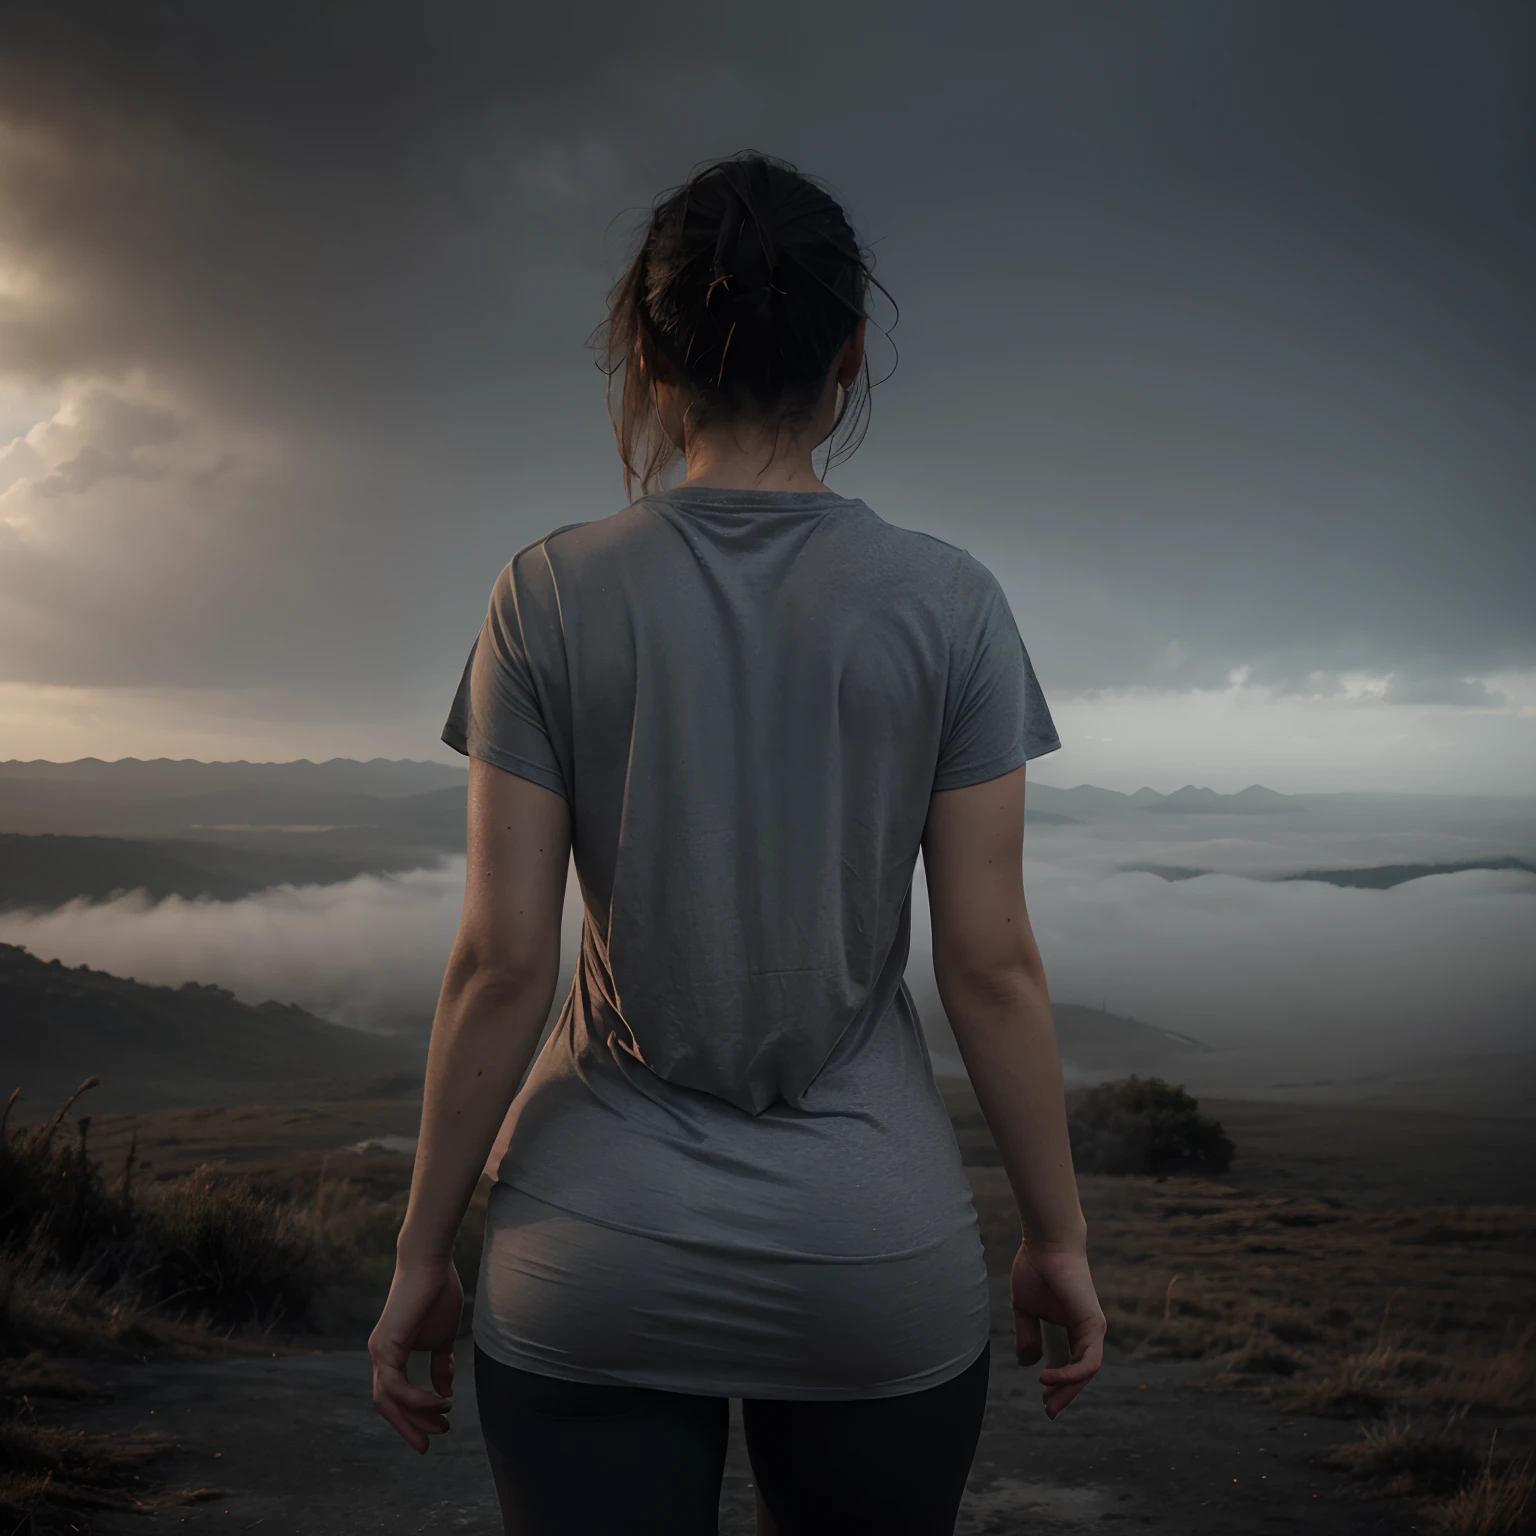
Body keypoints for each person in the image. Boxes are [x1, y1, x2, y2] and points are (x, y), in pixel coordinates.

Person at [368, 152, 1105, 1536]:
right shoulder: (953, 605)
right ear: (851, 353)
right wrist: (1057, 1242)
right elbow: (992, 966)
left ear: (645, 353)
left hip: (592, 1249)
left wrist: (420, 1254)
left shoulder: (546, 595)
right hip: (868, 1256)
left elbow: (501, 964)